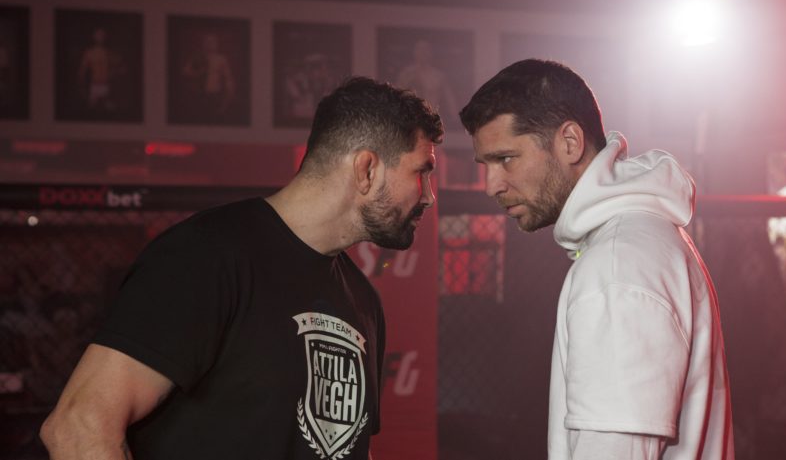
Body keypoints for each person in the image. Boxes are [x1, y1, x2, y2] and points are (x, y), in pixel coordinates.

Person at [40, 77, 443, 460]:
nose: (428, 196)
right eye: (421, 172)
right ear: (366, 169)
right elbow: (78, 428)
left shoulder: (362, 300)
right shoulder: (205, 256)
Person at [459, 59, 733, 460]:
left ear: (570, 142)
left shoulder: (618, 267)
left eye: (506, 158)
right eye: (485, 165)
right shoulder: (635, 242)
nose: (492, 186)